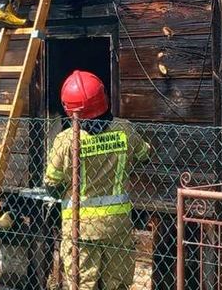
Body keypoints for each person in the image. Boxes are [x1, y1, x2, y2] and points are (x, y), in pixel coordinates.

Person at [43, 70, 151, 290]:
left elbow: (52, 183)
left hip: (80, 228)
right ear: (103, 98)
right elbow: (144, 154)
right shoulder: (125, 129)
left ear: (68, 108)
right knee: (117, 285)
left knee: (83, 284)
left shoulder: (66, 140)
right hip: (117, 225)